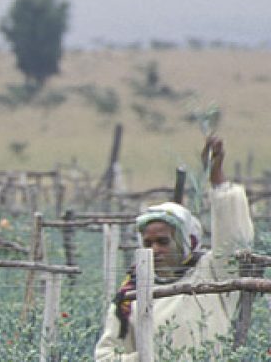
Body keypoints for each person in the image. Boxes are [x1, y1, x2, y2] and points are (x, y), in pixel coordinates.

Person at [94, 137, 255, 360]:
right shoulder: (131, 293)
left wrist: (217, 178)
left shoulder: (213, 273)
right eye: (148, 243)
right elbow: (105, 356)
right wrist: (149, 357)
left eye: (163, 241)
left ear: (186, 241)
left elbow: (234, 240)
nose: (154, 250)